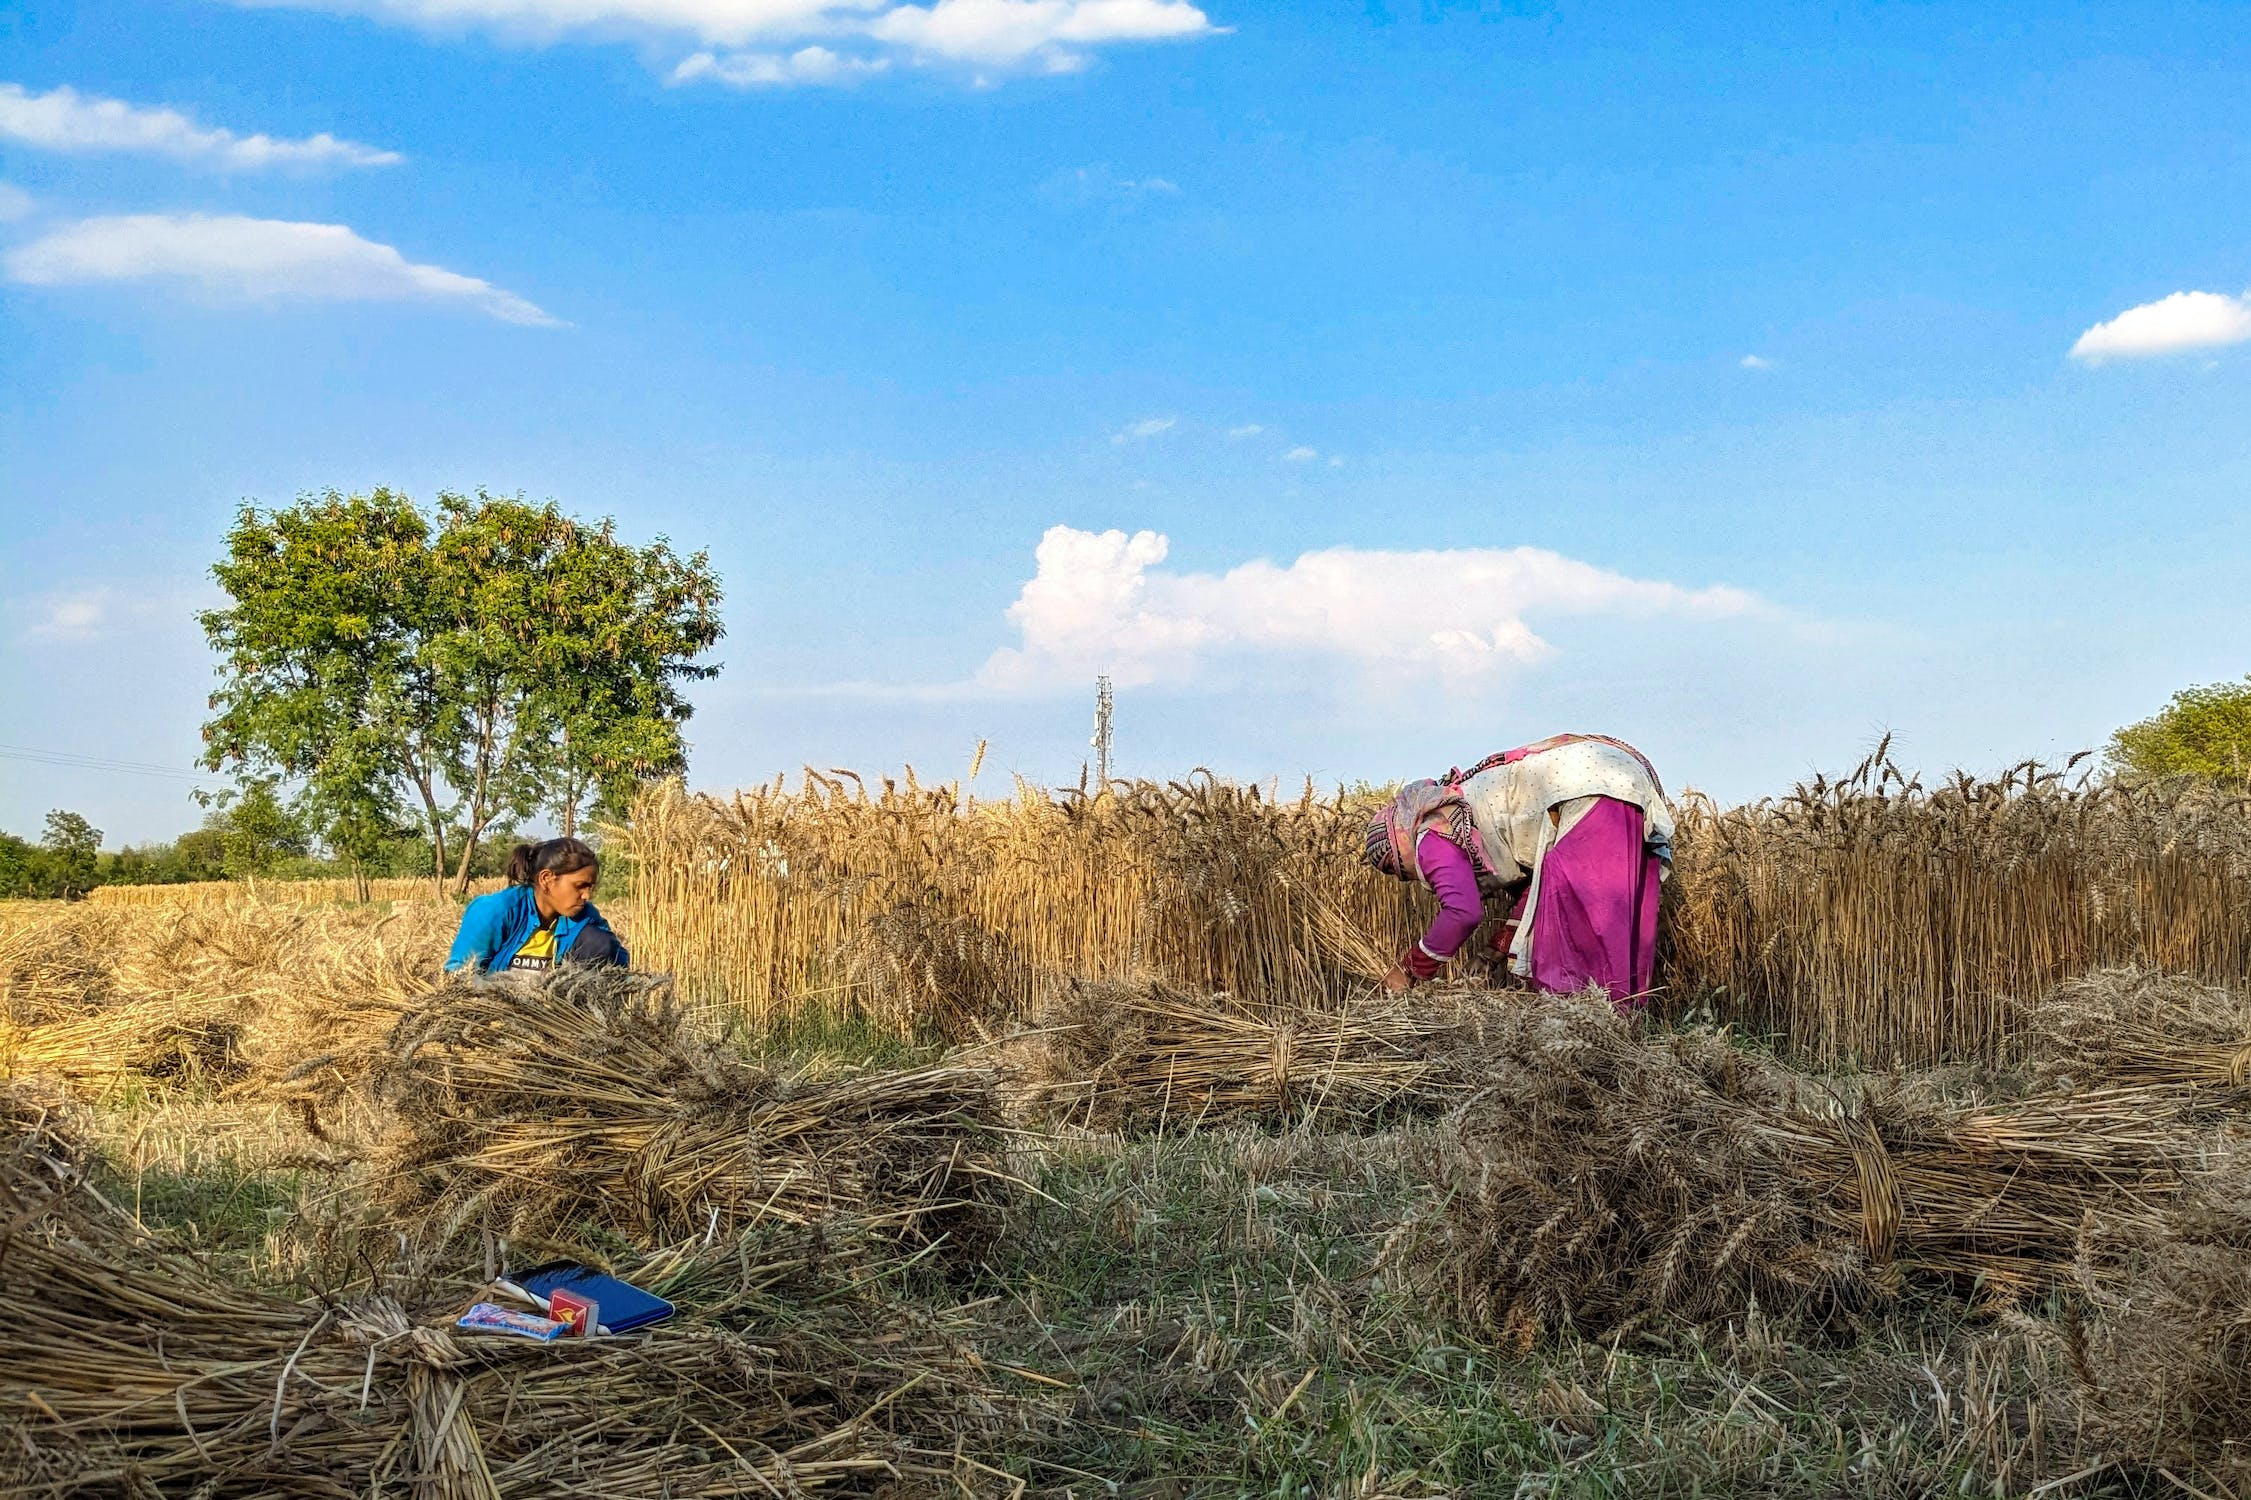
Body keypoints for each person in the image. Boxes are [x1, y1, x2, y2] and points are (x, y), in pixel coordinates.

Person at [1363, 734, 1671, 1006]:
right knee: (1620, 933)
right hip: (1620, 780)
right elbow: (1536, 893)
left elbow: (1462, 912)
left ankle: (1583, 1046)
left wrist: (1408, 971)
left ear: (1397, 837)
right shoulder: (1462, 805)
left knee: (1575, 951)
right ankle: (1619, 1042)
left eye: (1394, 867)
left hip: (1584, 789)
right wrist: (1490, 954)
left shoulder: (1430, 831)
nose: (1406, 875)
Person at [444, 836, 629, 976]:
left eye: (590, 887)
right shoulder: (495, 911)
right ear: (547, 879)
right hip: (496, 1013)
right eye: (580, 886)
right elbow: (459, 974)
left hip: (555, 1017)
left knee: (598, 941)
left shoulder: (585, 915)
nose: (587, 895)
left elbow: (620, 963)